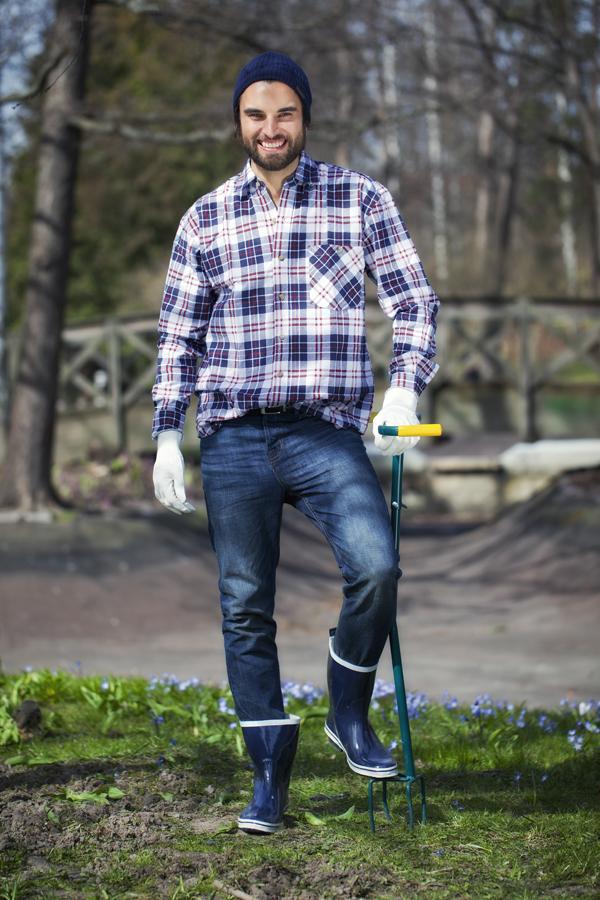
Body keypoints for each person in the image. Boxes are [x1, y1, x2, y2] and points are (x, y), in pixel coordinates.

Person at [151, 51, 439, 834]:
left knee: (375, 565)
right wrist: (167, 433)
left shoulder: (359, 198)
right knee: (245, 606)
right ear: (238, 123)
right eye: (256, 114)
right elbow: (177, 337)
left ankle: (349, 712)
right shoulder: (205, 217)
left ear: (304, 116)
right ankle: (269, 780)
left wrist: (404, 389)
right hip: (233, 436)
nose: (270, 128)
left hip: (324, 430)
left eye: (284, 113)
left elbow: (413, 301)